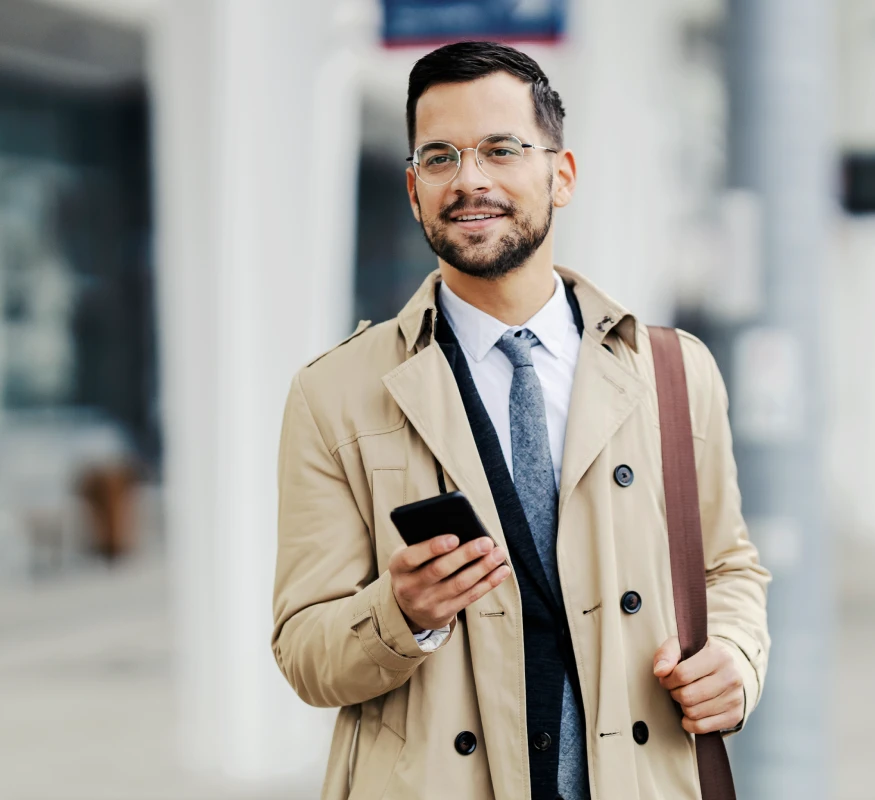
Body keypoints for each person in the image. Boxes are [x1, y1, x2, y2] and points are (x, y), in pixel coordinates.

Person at [272, 41, 770, 800]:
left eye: (501, 150)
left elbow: (727, 568)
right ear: (412, 189)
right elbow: (305, 651)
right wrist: (400, 611)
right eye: (439, 158)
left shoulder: (671, 372)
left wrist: (734, 657)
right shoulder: (334, 393)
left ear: (560, 175)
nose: (468, 179)